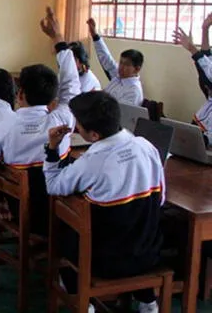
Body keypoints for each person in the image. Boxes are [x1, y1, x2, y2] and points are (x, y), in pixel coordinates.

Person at [44, 91, 164, 313]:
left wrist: (52, 148)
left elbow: (53, 185)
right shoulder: (147, 147)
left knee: (63, 231)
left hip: (103, 262)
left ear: (94, 135)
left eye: (78, 125)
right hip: (149, 253)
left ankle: (81, 299)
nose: (75, 128)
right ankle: (147, 301)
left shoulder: (93, 161)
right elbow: (161, 199)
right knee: (134, 223)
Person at [0, 7, 81, 235]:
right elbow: (72, 83)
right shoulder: (61, 120)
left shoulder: (5, 125)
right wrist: (57, 37)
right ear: (53, 98)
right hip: (60, 217)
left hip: (23, 215)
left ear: (19, 94)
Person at [172, 16, 212, 143]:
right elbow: (207, 61)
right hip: (202, 121)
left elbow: (209, 72)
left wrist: (192, 49)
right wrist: (205, 29)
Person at [87, 18, 144, 106]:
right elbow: (106, 59)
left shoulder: (133, 91)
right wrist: (94, 35)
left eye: (127, 64)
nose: (121, 67)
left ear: (137, 69)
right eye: (121, 62)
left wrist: (98, 98)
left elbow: (116, 112)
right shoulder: (118, 77)